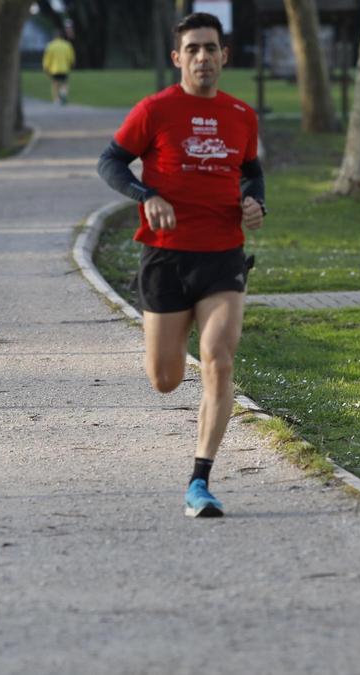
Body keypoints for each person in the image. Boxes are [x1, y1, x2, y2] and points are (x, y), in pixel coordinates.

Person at [97, 12, 266, 518]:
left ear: (224, 56)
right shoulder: (155, 110)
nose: (202, 57)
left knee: (219, 357)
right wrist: (145, 194)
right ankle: (171, 340)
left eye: (210, 48)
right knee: (165, 378)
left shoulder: (241, 115)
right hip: (166, 258)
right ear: (178, 58)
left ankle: (200, 480)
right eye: (192, 49)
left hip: (222, 256)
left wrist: (254, 201)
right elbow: (110, 162)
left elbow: (250, 170)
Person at [42, 27, 75, 105]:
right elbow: (70, 57)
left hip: (54, 68)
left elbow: (47, 58)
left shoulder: (50, 45)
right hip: (64, 68)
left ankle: (56, 99)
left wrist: (45, 67)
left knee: (55, 84)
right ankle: (63, 94)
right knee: (64, 83)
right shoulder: (67, 45)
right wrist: (72, 64)